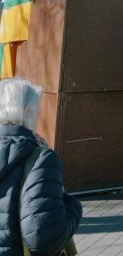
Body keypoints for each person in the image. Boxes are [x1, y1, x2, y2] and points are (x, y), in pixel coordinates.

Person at [0, 77, 82, 254]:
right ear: (28, 112)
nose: (38, 118)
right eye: (37, 113)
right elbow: (44, 237)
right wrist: (73, 207)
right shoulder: (40, 159)